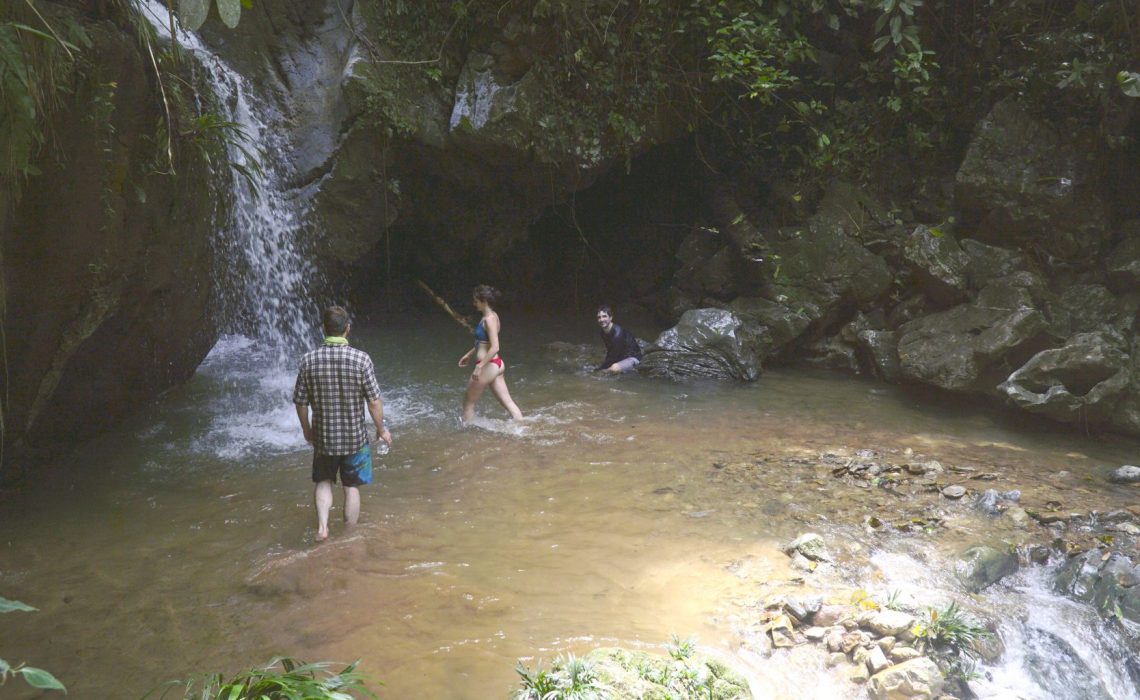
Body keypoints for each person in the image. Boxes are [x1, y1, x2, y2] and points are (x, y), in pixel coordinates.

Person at [293, 305, 392, 541]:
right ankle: (348, 536)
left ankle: (323, 527)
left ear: (323, 330)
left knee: (323, 481)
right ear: (347, 329)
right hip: (354, 439)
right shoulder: (361, 359)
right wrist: (381, 429)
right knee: (351, 486)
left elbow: (300, 402)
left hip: (324, 438)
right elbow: (374, 402)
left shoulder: (309, 360)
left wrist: (307, 430)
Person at [457, 285, 523, 423]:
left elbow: (495, 346)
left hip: (488, 366)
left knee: (468, 405)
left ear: (484, 301)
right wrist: (469, 354)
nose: (474, 304)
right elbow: (483, 343)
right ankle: (523, 428)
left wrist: (479, 366)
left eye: (476, 301)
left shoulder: (489, 320)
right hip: (496, 365)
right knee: (509, 404)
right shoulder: (492, 316)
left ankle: (466, 435)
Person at [595, 305, 642, 374]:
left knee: (614, 368)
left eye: (604, 316)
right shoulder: (603, 332)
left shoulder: (617, 334)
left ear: (610, 317)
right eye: (599, 317)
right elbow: (610, 350)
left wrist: (600, 369)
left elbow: (613, 356)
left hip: (632, 357)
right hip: (620, 356)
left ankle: (602, 373)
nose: (601, 320)